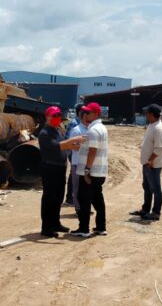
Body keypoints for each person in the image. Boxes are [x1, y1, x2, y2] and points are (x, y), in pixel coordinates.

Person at [38, 106, 83, 238]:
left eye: (58, 116)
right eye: (54, 116)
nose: (57, 119)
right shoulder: (45, 133)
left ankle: (55, 223)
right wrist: (70, 142)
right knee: (49, 198)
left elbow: (64, 145)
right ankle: (46, 227)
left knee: (58, 197)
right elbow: (55, 146)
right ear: (47, 117)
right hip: (49, 168)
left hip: (60, 167)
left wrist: (73, 145)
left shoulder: (58, 130)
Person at [71, 102, 109, 238]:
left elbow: (92, 151)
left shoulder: (93, 130)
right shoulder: (102, 128)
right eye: (85, 112)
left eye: (88, 112)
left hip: (91, 172)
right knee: (98, 199)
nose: (85, 114)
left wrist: (87, 170)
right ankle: (100, 227)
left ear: (96, 114)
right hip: (99, 172)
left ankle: (84, 229)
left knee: (84, 199)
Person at [130, 104, 162, 221]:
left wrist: (150, 161)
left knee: (155, 188)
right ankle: (145, 209)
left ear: (151, 114)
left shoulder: (158, 128)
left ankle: (156, 212)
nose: (145, 115)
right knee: (147, 187)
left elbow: (159, 148)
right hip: (148, 163)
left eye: (147, 113)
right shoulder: (152, 125)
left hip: (153, 164)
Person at [66, 109, 88, 210]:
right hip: (78, 163)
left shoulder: (90, 130)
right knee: (77, 188)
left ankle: (85, 207)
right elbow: (70, 145)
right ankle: (79, 209)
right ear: (84, 117)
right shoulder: (76, 130)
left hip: (88, 163)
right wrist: (87, 148)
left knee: (87, 188)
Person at [64, 104, 84, 206]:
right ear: (79, 112)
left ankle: (73, 197)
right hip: (73, 153)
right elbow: (68, 141)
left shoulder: (82, 123)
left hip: (79, 153)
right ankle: (70, 198)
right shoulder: (74, 123)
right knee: (74, 175)